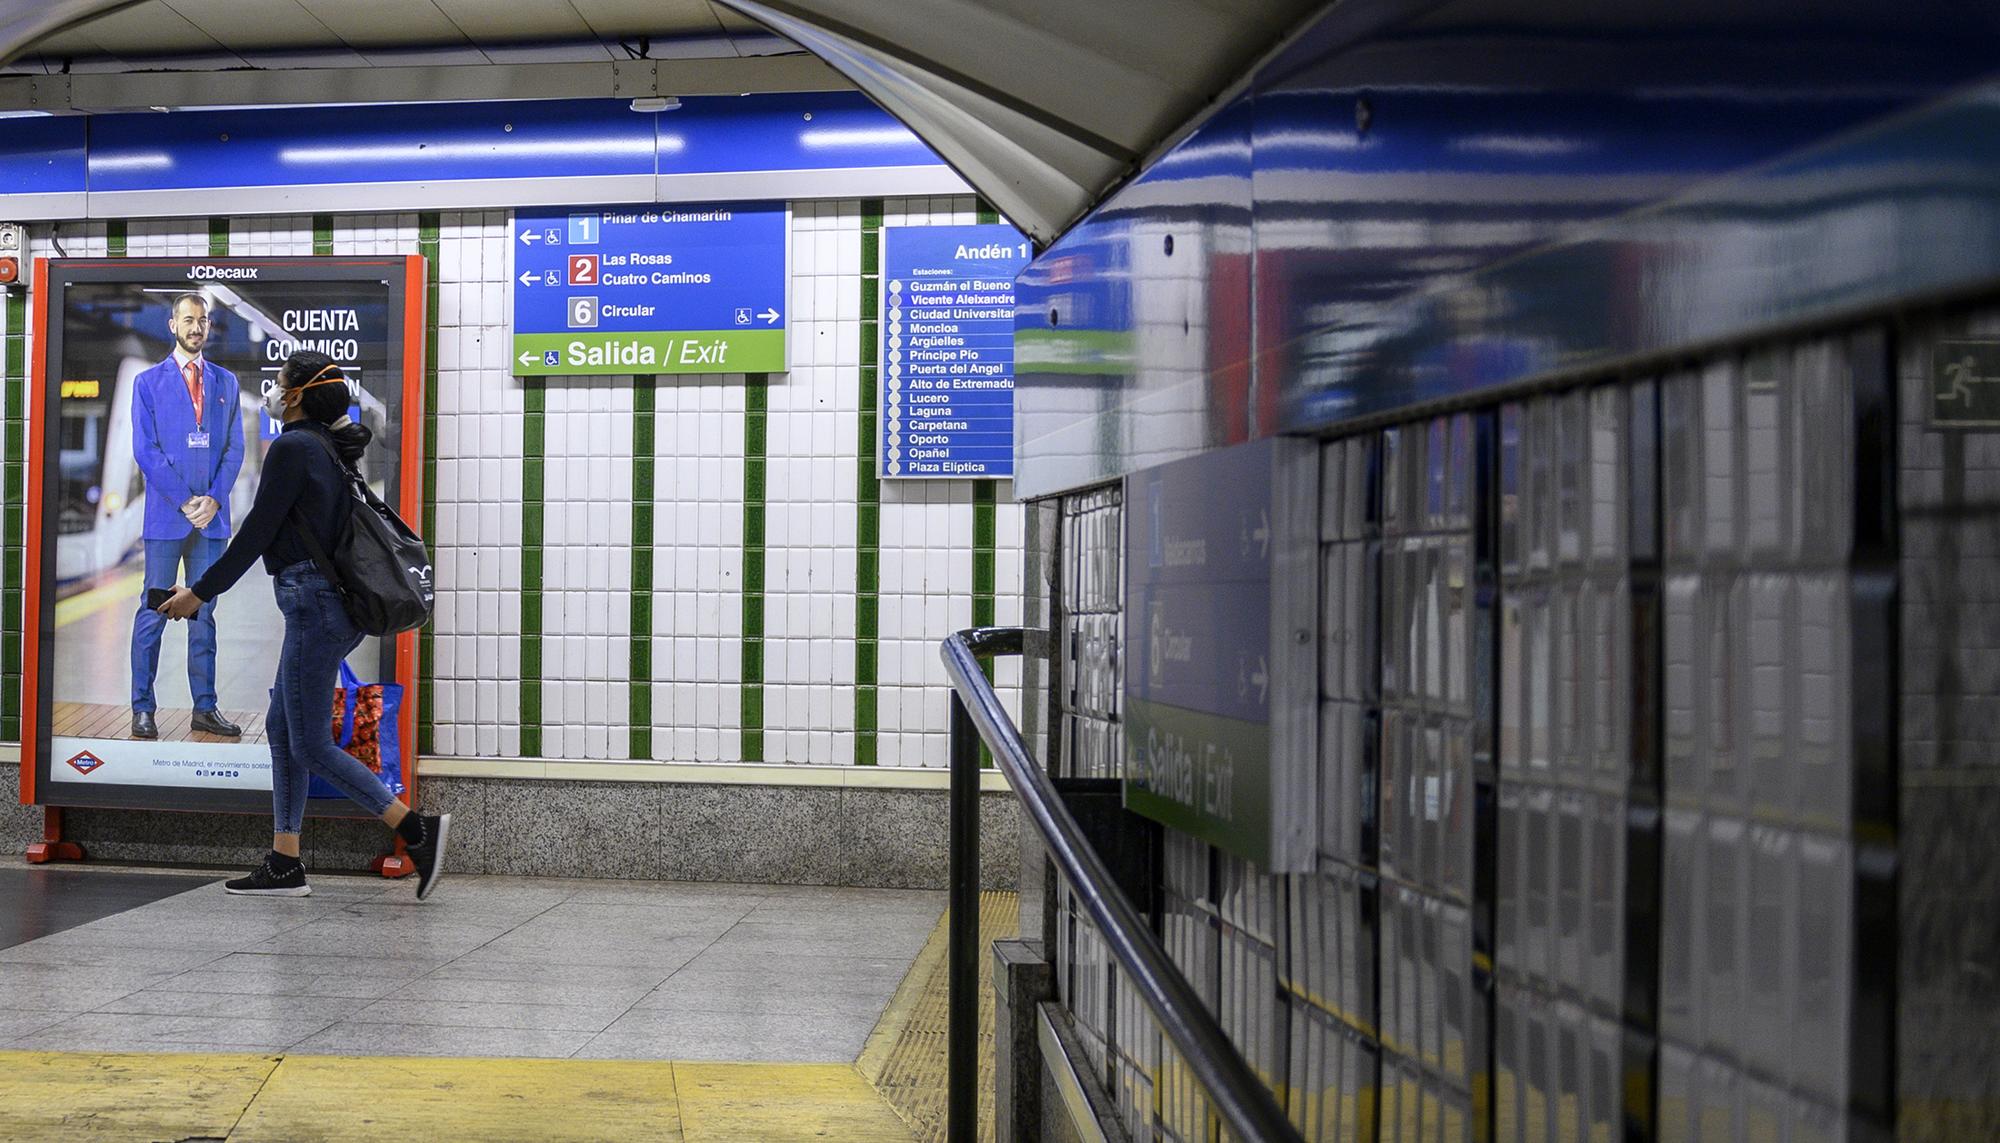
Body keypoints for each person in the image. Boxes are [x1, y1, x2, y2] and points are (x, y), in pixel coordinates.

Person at [159, 350, 448, 899]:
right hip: (325, 605)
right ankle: (285, 861)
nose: (272, 388)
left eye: (279, 381)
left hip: (315, 606)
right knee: (283, 730)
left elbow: (255, 533)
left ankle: (416, 830)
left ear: (295, 395)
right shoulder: (326, 448)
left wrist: (199, 592)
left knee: (311, 744)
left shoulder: (294, 447)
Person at [129, 292, 246, 741]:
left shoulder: (226, 383)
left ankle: (205, 708)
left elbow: (234, 448)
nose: (196, 328)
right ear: (172, 325)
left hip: (211, 523)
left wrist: (214, 499)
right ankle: (143, 709)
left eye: (203, 321)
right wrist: (184, 501)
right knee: (153, 610)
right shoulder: (147, 383)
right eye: (188, 320)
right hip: (166, 519)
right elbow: (146, 451)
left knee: (204, 615)